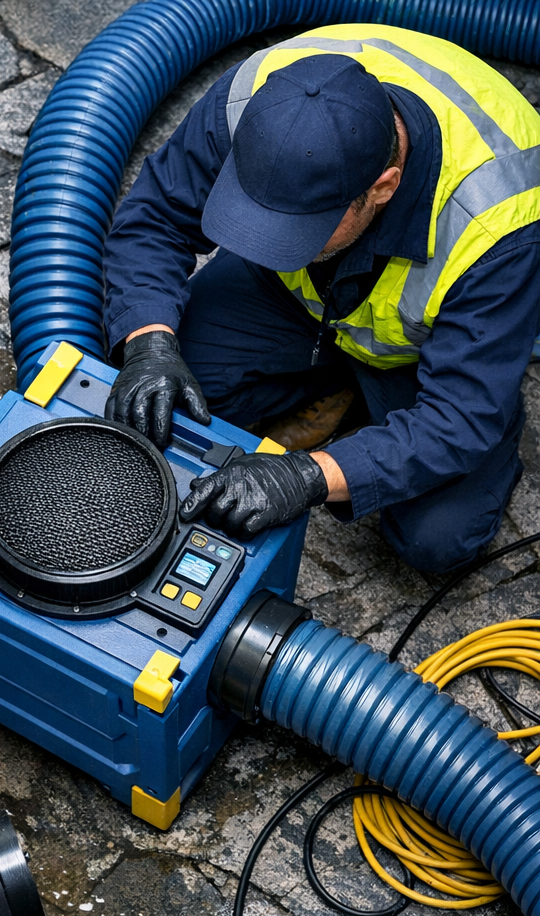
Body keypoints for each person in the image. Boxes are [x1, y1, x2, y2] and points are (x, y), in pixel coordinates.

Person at [103, 25, 540, 572]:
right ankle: (335, 384)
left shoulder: (501, 220)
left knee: (436, 540)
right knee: (165, 395)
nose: (276, 240)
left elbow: (459, 416)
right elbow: (155, 219)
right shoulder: (258, 99)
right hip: (287, 301)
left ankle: (367, 396)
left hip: (420, 355)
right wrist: (148, 346)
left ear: (382, 187)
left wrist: (307, 476)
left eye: (299, 230)